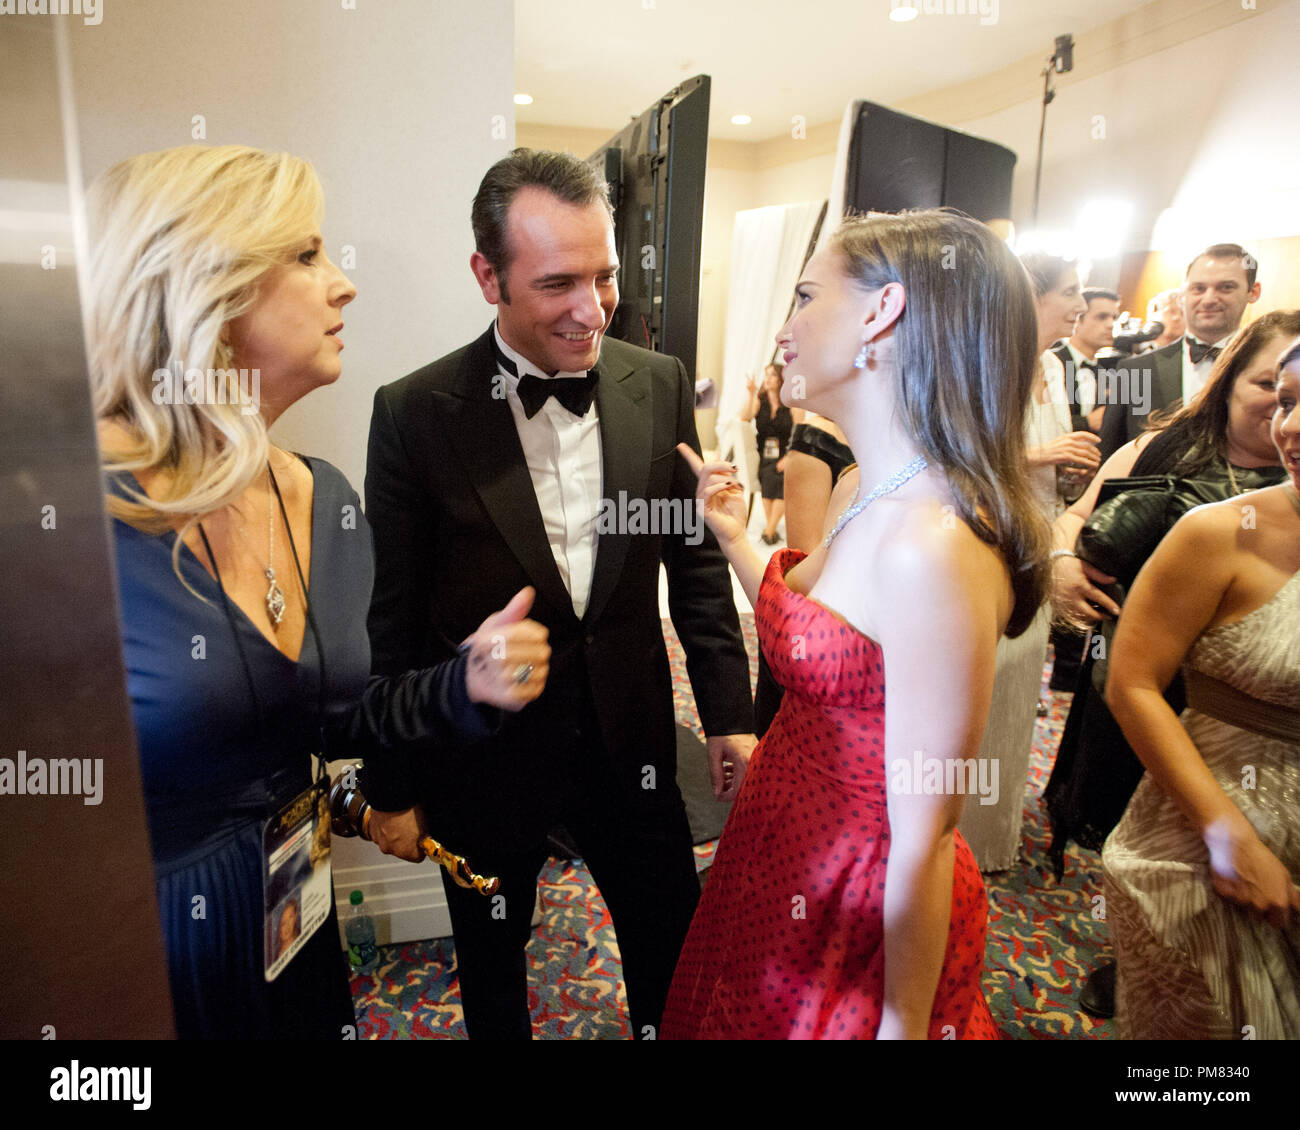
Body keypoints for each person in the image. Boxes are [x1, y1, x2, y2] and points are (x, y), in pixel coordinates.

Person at [89, 145, 550, 1039]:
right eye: (304, 256)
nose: (342, 285)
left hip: (291, 913)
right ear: (203, 289)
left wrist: (465, 684)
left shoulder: (322, 494)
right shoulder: (70, 507)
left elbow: (326, 714)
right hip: (142, 950)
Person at [359, 148, 756, 1040]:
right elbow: (394, 620)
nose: (593, 309)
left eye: (606, 276)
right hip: (486, 759)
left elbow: (691, 563)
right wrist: (390, 786)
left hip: (635, 744)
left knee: (669, 945)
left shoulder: (655, 384)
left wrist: (728, 709)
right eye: (557, 283)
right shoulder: (414, 413)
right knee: (495, 976)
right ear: (486, 276)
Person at [662, 209, 1051, 1039]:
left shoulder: (934, 544)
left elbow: (927, 835)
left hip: (855, 884)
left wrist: (901, 1023)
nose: (784, 328)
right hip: (780, 831)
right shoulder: (862, 485)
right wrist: (736, 537)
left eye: (805, 296)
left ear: (882, 313)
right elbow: (813, 618)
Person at [1043, 310, 1296, 1017]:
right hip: (1145, 680)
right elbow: (1073, 522)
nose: (1285, 412)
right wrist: (1063, 564)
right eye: (1274, 387)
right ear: (1232, 381)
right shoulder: (1170, 451)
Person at [1099, 243, 1261, 458]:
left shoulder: (1270, 369)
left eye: (1226, 287)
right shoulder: (1135, 371)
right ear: (1183, 294)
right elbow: (1110, 458)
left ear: (1253, 292)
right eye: (1198, 288)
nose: (1209, 299)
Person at [739, 363, 801, 544]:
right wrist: (750, 393)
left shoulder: (792, 404)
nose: (767, 379)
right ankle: (771, 531)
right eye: (766, 375)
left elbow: (799, 433)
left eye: (772, 375)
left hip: (786, 452)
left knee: (780, 475)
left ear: (781, 378)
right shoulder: (760, 401)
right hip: (765, 453)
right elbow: (745, 416)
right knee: (767, 474)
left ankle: (769, 531)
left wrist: (789, 457)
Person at [1052, 287, 1118, 434]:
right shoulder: (1051, 362)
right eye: (1102, 317)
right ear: (1077, 319)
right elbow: (1040, 424)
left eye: (1114, 317)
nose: (1111, 324)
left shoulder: (1106, 371)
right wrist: (1086, 422)